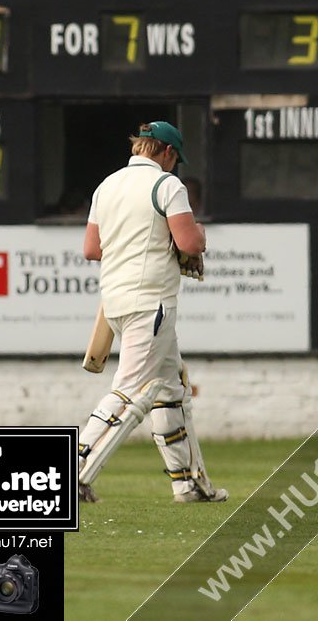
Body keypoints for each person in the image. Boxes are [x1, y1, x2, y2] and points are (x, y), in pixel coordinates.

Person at [78, 120, 229, 504]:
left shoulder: (106, 186)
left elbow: (92, 249)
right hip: (152, 305)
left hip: (115, 302)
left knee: (172, 390)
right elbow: (188, 241)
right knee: (130, 391)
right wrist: (199, 237)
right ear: (168, 152)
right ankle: (71, 475)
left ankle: (189, 484)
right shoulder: (167, 185)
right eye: (175, 159)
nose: (174, 165)